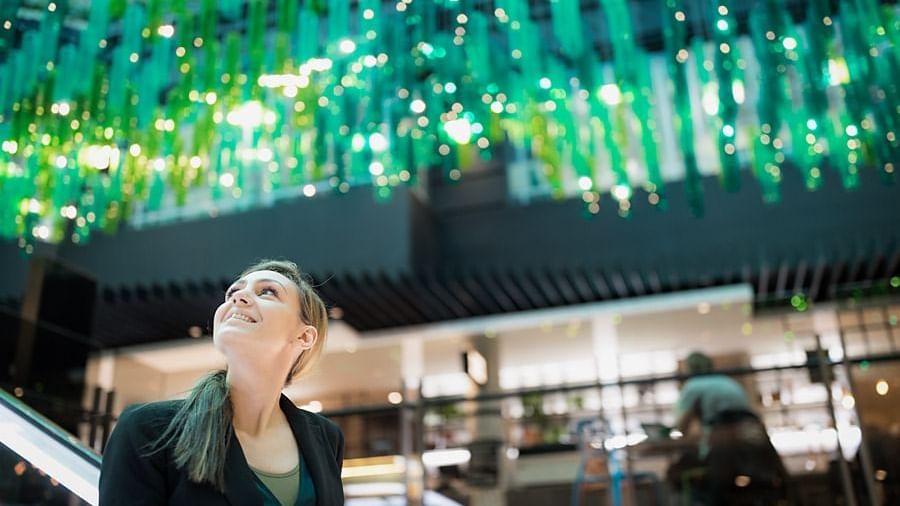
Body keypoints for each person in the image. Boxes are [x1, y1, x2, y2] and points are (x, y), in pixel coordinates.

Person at [99, 259, 344, 505]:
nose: (239, 297)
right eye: (233, 292)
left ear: (304, 336)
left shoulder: (326, 438)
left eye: (267, 292)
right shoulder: (148, 430)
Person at [668, 352, 789, 505]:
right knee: (766, 473)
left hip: (724, 436)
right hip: (752, 430)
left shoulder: (693, 386)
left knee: (714, 481)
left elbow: (682, 425)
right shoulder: (727, 381)